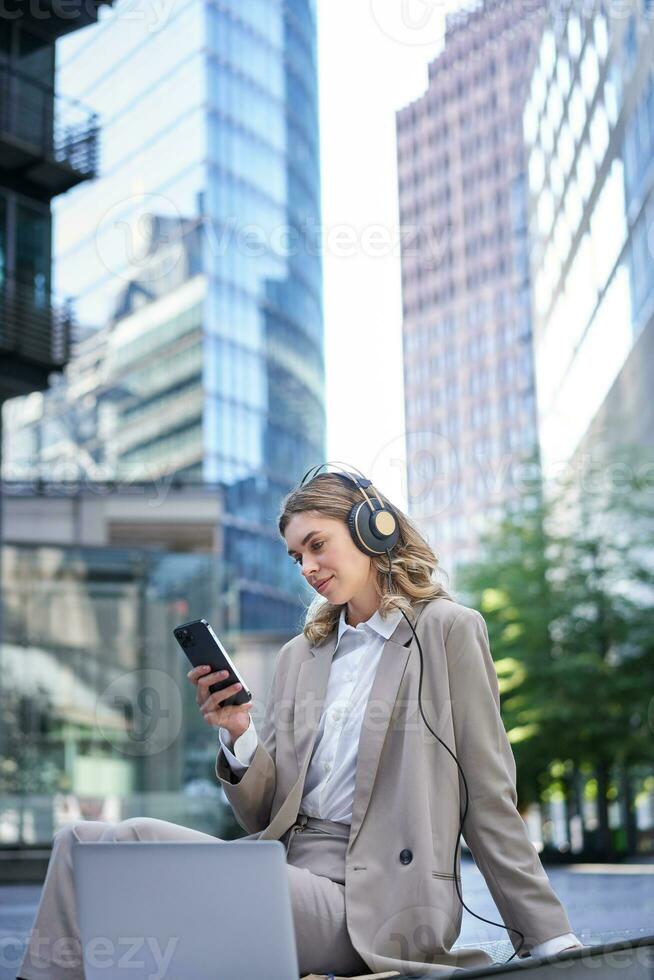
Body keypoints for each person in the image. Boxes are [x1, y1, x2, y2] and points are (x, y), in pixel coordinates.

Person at [17, 467, 582, 979]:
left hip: (375, 901)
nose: (309, 568)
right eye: (296, 556)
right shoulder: (301, 656)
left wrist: (548, 936)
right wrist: (239, 732)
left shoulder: (447, 631)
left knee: (131, 846)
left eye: (318, 545)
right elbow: (266, 811)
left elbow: (487, 793)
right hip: (284, 869)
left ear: (371, 529)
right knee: (81, 843)